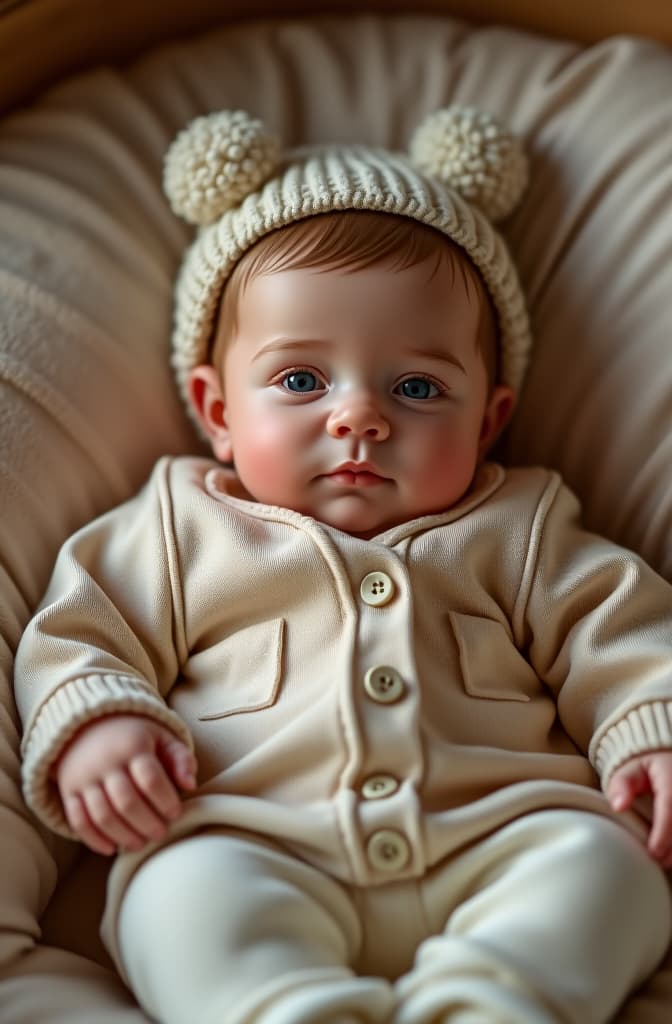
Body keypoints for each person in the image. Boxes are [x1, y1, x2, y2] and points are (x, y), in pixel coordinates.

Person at [14, 107, 672, 1024]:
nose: (357, 417)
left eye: (416, 387)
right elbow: (79, 628)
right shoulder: (181, 522)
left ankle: (494, 1005)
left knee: (615, 873)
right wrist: (97, 721)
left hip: (504, 833)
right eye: (299, 380)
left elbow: (620, 629)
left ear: (488, 419)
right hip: (251, 838)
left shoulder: (520, 522)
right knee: (176, 902)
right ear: (216, 409)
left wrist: (648, 724)